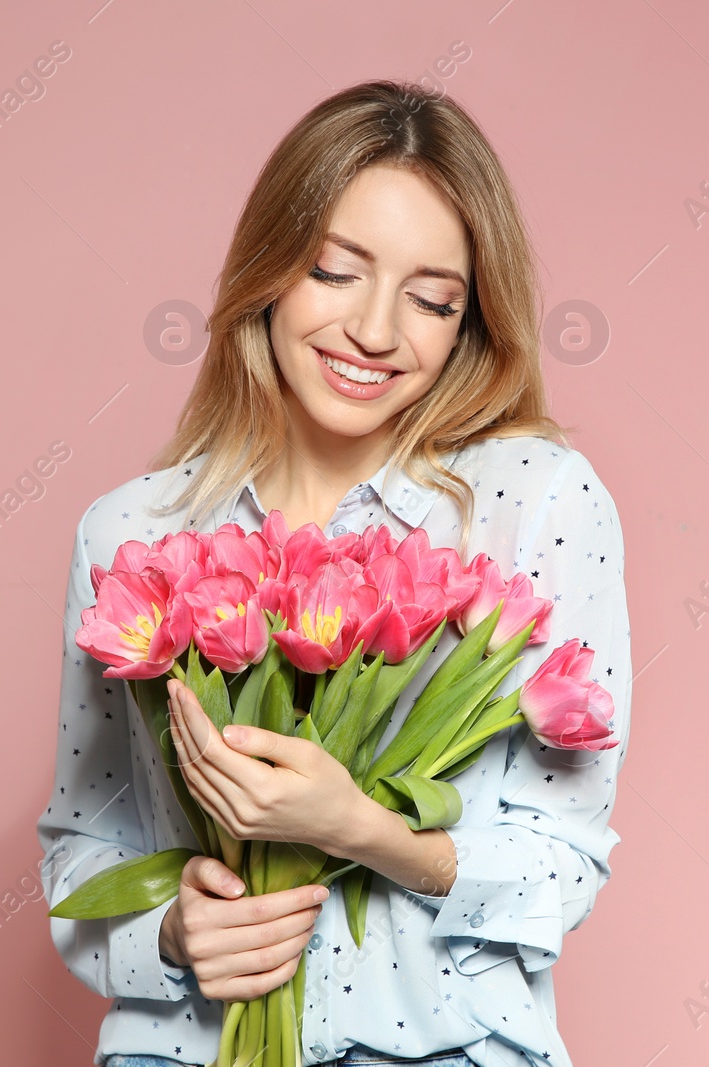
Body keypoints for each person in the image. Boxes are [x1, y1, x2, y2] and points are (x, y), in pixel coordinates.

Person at [36, 79, 632, 1067]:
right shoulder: (132, 533)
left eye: (432, 297)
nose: (374, 331)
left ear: (468, 319)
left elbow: (564, 862)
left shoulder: (537, 498)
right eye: (334, 271)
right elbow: (81, 846)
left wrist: (362, 829)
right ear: (269, 269)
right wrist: (173, 936)